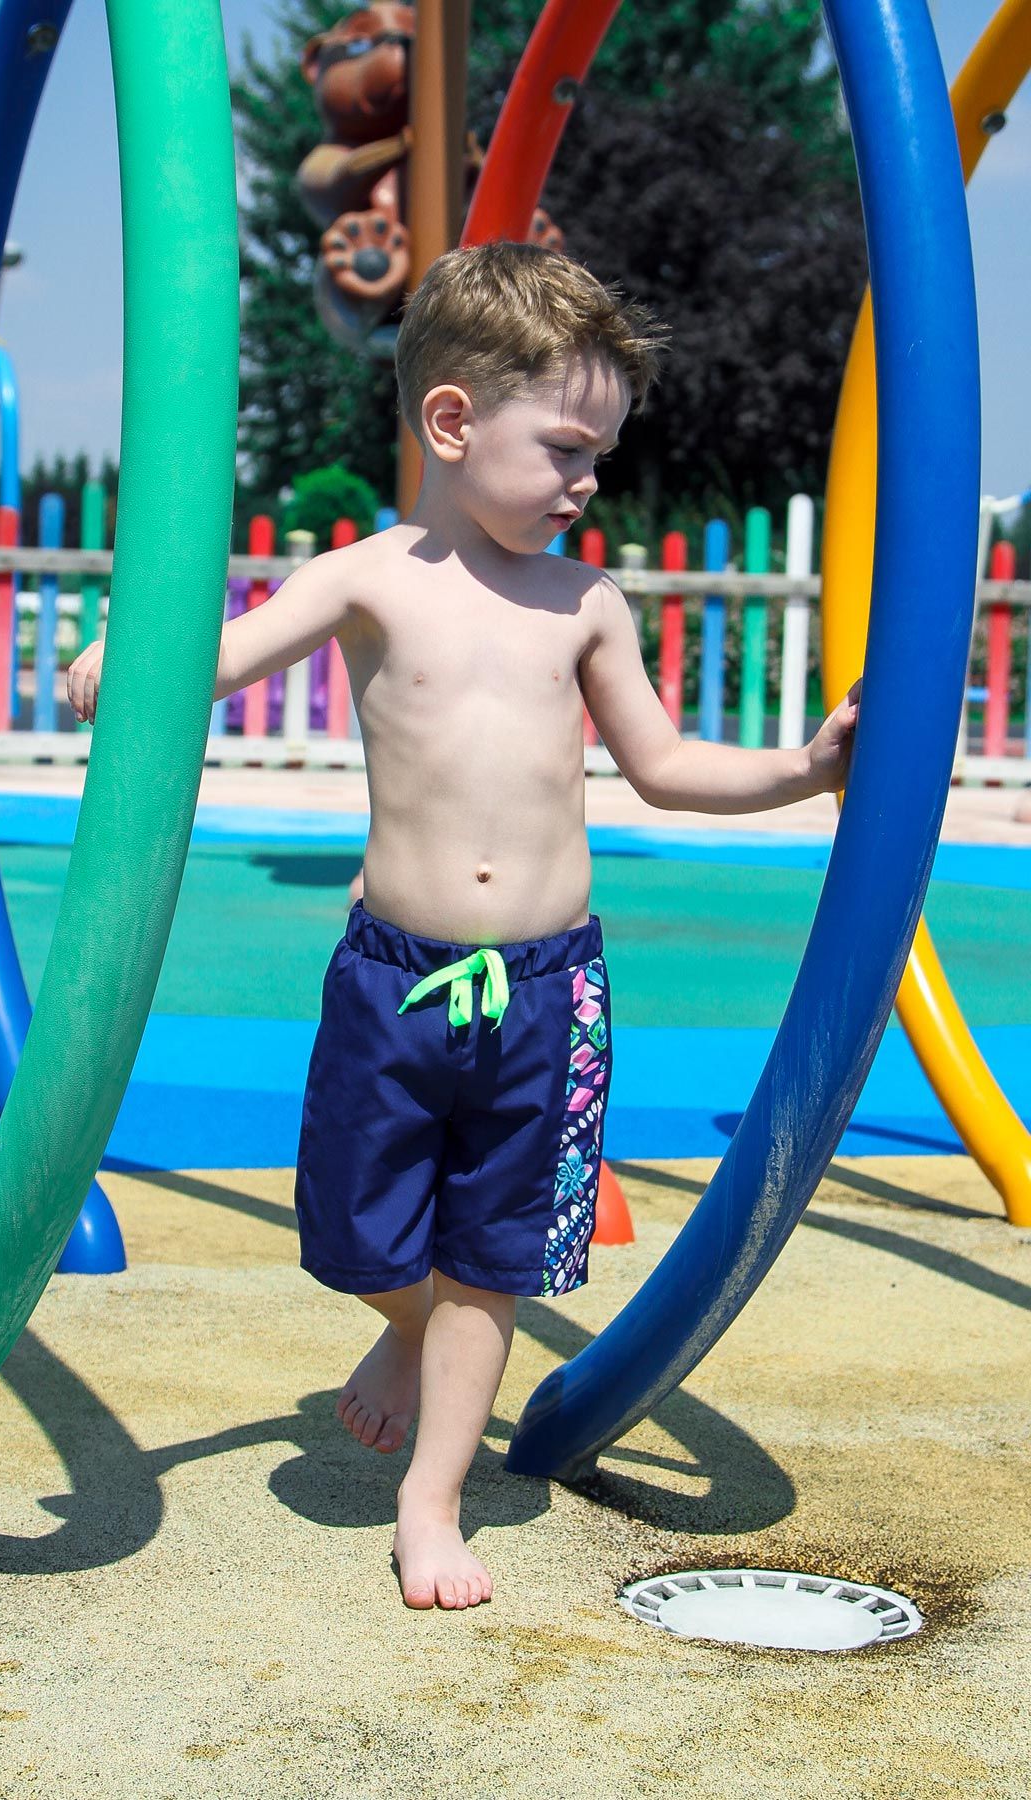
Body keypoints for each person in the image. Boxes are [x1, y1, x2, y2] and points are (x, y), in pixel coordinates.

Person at [66, 242, 860, 1614]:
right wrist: (116, 665)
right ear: (452, 422)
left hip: (552, 992)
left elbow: (667, 768)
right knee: (352, 1236)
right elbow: (226, 657)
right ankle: (409, 1329)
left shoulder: (586, 606)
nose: (589, 480)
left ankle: (432, 1498)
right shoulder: (372, 578)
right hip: (394, 979)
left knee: (496, 1255)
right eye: (565, 447)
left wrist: (804, 769)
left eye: (600, 452)